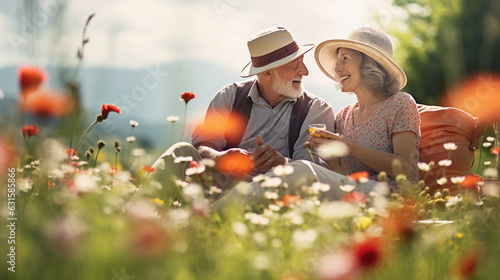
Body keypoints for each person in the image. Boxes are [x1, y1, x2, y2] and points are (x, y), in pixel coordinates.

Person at [216, 26, 420, 205]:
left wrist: (347, 146)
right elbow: (342, 178)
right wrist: (329, 159)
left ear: (370, 64)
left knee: (302, 170)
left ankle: (214, 214)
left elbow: (405, 168)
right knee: (305, 171)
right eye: (338, 59)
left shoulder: (400, 103)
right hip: (353, 195)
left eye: (345, 59)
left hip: (390, 197)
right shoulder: (343, 116)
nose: (337, 67)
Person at [151, 25, 335, 190]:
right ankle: (136, 214)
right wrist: (220, 158)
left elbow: (313, 172)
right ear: (267, 72)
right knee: (182, 150)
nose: (305, 71)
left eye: (302, 61)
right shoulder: (229, 97)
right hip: (219, 185)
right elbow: (201, 146)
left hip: (271, 192)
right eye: (295, 65)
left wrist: (281, 162)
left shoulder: (316, 110)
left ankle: (211, 215)